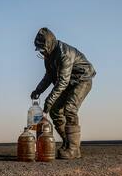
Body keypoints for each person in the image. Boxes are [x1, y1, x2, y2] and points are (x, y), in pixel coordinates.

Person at [31, 27, 96, 159]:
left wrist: (48, 102)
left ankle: (73, 149)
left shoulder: (64, 54)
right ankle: (69, 143)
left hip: (81, 80)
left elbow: (62, 82)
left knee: (70, 109)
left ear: (49, 44)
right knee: (55, 111)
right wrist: (38, 90)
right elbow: (49, 76)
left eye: (43, 49)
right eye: (40, 50)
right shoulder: (48, 55)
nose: (42, 53)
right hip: (68, 82)